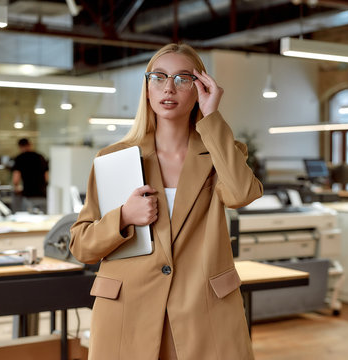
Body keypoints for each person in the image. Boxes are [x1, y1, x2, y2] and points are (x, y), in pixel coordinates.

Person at [70, 43, 263, 360]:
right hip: (128, 315)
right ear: (146, 88)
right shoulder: (113, 159)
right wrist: (123, 217)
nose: (168, 88)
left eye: (182, 78)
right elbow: (81, 245)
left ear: (199, 88)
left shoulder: (222, 152)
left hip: (203, 312)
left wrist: (212, 116)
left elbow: (242, 194)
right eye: (158, 77)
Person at [12, 138, 49, 213]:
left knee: (28, 220)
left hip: (28, 196)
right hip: (42, 196)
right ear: (30, 145)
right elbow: (46, 177)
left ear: (20, 147)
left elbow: (16, 179)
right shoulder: (40, 157)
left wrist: (16, 187)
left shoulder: (20, 158)